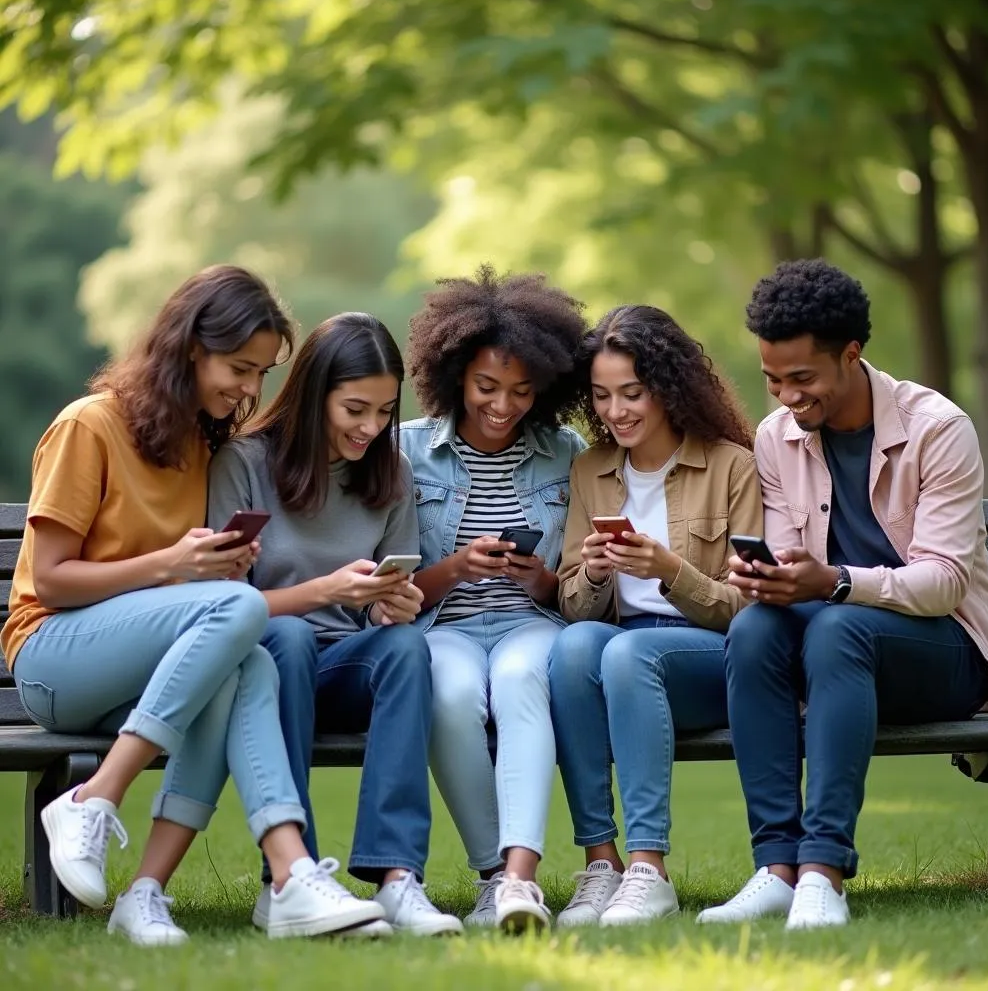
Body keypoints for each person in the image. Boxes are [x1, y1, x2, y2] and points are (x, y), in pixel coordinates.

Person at [2, 265, 386, 945]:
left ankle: (188, 887)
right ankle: (93, 798)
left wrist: (212, 565)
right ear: (188, 348)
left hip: (142, 670)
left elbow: (181, 600)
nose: (249, 389)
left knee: (250, 671)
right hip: (53, 662)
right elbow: (53, 581)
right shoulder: (87, 426)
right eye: (239, 368)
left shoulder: (198, 445)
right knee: (239, 613)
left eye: (261, 373)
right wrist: (175, 565)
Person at [696, 259, 988, 930]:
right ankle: (777, 867)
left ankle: (824, 870)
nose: (786, 396)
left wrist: (835, 582)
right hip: (836, 649)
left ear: (851, 355)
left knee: (841, 626)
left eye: (802, 378)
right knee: (754, 630)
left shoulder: (938, 428)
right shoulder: (777, 437)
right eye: (772, 379)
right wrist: (770, 581)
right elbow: (795, 564)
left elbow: (945, 583)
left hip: (947, 651)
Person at [208, 313, 463, 937]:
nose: (372, 428)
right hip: (263, 670)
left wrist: (387, 604)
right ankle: (290, 880)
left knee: (405, 645)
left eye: (384, 410)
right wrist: (325, 591)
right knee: (290, 640)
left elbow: (382, 597)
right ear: (314, 392)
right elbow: (219, 607)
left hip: (344, 667)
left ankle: (399, 878)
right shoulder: (244, 464)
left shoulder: (390, 472)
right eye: (355, 409)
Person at [548, 304, 764, 927]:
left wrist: (669, 569)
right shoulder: (591, 469)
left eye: (632, 394)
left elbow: (748, 608)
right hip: (624, 658)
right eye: (602, 396)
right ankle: (602, 863)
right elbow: (570, 604)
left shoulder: (731, 466)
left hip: (711, 659)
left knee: (622, 651)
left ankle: (649, 868)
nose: (617, 411)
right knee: (572, 649)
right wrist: (592, 571)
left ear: (667, 387)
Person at [399, 266, 588, 932]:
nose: (503, 404)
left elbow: (572, 587)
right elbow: (396, 593)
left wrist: (539, 579)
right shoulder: (407, 453)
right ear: (454, 377)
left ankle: (520, 880)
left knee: (517, 683)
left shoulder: (567, 453)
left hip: (530, 622)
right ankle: (489, 878)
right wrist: (454, 567)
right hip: (443, 623)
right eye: (486, 387)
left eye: (521, 390)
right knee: (448, 694)